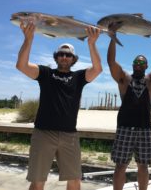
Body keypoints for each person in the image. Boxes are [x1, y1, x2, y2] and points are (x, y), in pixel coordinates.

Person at [16, 21, 102, 190]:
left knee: (75, 180)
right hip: (43, 133)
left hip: (69, 136)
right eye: (61, 54)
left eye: (68, 55)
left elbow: (97, 69)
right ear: (56, 57)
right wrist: (28, 39)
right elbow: (21, 65)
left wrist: (92, 44)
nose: (64, 57)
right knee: (38, 181)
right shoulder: (46, 73)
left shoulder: (78, 77)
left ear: (73, 59)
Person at [107, 25, 151, 190]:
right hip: (125, 128)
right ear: (132, 65)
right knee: (120, 166)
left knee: (143, 166)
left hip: (144, 129)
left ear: (147, 66)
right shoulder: (124, 79)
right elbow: (111, 62)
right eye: (136, 62)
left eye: (141, 62)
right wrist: (113, 36)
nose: (138, 64)